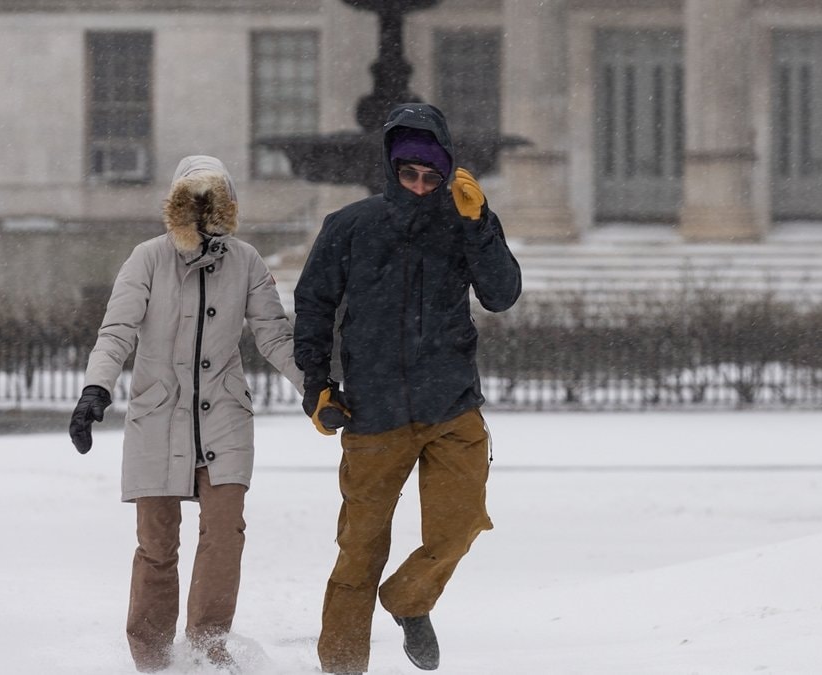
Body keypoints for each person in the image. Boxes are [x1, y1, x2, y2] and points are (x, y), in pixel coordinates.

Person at [293, 103, 522, 674]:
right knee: (360, 550)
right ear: (392, 169)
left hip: (452, 406)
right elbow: (314, 306)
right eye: (409, 173)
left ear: (447, 172)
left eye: (431, 176)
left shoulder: (465, 223)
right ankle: (342, 666)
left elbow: (501, 295)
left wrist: (480, 225)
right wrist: (317, 386)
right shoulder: (350, 226)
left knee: (461, 524)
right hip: (373, 413)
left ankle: (408, 599)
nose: (420, 185)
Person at [69, 155, 303, 672]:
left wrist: (316, 390)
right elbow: (117, 331)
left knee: (225, 535)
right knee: (157, 543)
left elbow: (274, 336)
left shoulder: (247, 261)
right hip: (158, 415)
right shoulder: (147, 258)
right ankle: (152, 660)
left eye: (212, 198)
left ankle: (206, 649)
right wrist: (95, 389)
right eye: (192, 199)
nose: (202, 208)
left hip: (224, 414)